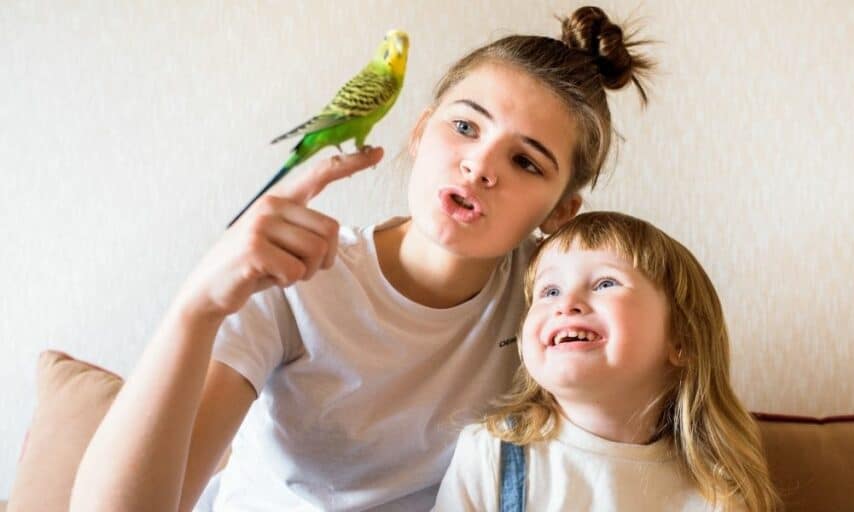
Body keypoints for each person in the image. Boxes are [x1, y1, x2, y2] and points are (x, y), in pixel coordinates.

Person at [70, 6, 653, 512]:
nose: (480, 165)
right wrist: (196, 308)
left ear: (560, 212)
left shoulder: (548, 313)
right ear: (420, 134)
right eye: (465, 126)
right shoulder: (298, 277)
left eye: (526, 161)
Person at [433, 211, 780, 512]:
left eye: (605, 283)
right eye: (549, 291)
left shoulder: (714, 489)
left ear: (682, 339)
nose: (566, 303)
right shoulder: (491, 454)